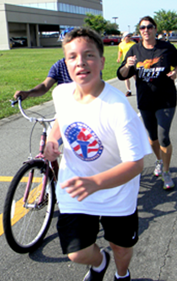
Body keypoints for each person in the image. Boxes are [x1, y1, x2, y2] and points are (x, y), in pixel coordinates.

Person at [44, 27, 151, 281]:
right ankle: (100, 262)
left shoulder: (117, 108)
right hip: (76, 187)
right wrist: (52, 140)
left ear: (102, 61)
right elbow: (62, 118)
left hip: (117, 191)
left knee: (122, 247)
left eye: (89, 55)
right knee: (77, 252)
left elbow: (135, 164)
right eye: (72, 57)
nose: (80, 62)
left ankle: (122, 275)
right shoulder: (61, 93)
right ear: (65, 63)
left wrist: (96, 183)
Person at [117, 16, 177, 190]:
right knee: (152, 138)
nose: (146, 30)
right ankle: (159, 161)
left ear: (155, 29)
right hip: (145, 100)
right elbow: (122, 74)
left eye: (149, 27)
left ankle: (166, 171)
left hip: (166, 99)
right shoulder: (134, 50)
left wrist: (175, 72)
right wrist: (128, 65)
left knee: (163, 137)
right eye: (142, 28)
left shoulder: (166, 47)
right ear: (139, 31)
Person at [117, 32, 136, 97]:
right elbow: (120, 51)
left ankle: (139, 88)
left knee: (135, 76)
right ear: (124, 37)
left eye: (129, 36)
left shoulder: (133, 44)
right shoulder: (121, 44)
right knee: (126, 77)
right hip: (125, 62)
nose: (129, 37)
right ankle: (129, 90)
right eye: (127, 36)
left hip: (133, 62)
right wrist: (118, 58)